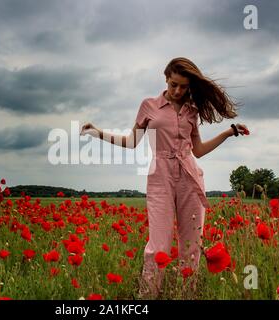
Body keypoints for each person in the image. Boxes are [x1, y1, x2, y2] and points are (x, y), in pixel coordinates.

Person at [80, 57, 249, 299]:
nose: (178, 91)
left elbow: (198, 150)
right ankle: (147, 297)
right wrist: (97, 132)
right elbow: (131, 142)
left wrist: (228, 133)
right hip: (160, 177)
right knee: (157, 246)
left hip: (190, 177)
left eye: (184, 87)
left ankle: (185, 295)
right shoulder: (149, 106)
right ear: (166, 79)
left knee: (191, 247)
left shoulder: (192, 110)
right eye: (174, 85)